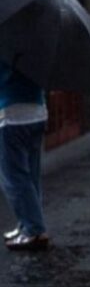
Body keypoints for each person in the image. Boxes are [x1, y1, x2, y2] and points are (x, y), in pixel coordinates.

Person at [1, 61, 49, 251]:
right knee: (30, 175)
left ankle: (34, 230)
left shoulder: (5, 46)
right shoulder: (33, 48)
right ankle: (27, 223)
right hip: (37, 112)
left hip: (11, 117)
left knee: (13, 177)